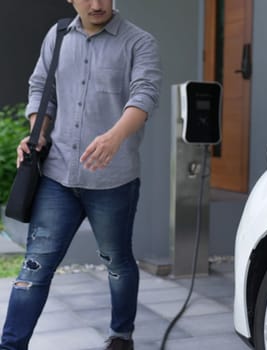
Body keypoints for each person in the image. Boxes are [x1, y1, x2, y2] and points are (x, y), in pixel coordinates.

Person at [0, 0, 161, 349]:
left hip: (113, 180)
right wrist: (37, 132)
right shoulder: (57, 36)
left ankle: (121, 335)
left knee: (117, 261)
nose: (98, 4)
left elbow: (145, 95)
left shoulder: (139, 41)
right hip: (57, 177)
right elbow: (42, 90)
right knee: (34, 268)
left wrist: (114, 137)